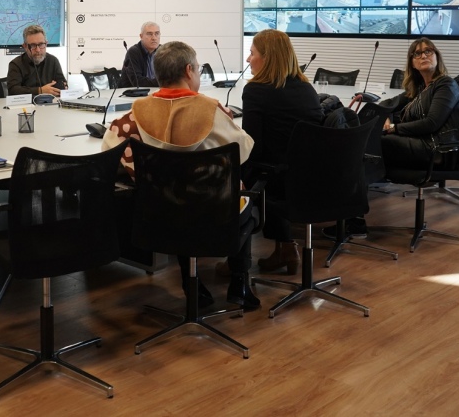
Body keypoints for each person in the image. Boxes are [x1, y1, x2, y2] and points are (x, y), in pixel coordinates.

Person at [101, 41, 259, 310]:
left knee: (176, 195)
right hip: (215, 213)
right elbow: (243, 150)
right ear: (189, 71)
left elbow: (109, 149)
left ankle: (191, 285)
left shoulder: (135, 113)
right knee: (239, 190)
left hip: (159, 214)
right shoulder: (211, 110)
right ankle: (239, 283)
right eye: (197, 69)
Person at [338, 37, 459, 237]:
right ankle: (353, 214)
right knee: (364, 147)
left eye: (428, 51)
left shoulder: (445, 85)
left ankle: (354, 218)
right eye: (417, 53)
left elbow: (432, 123)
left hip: (434, 148)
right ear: (412, 62)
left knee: (365, 147)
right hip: (418, 144)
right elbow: (390, 102)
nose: (423, 56)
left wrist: (395, 127)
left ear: (437, 57)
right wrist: (387, 114)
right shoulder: (419, 88)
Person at [234, 29, 323, 276]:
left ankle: (236, 266)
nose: (248, 60)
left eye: (251, 53)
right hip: (313, 177)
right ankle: (285, 247)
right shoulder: (307, 90)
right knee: (270, 165)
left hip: (279, 180)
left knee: (232, 174)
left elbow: (253, 146)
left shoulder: (256, 91)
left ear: (267, 57)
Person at [6, 24, 67, 97]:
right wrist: (40, 90)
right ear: (25, 46)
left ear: (46, 44)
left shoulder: (53, 61)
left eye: (41, 44)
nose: (38, 50)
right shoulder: (16, 64)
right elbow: (13, 90)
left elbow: (62, 84)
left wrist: (62, 87)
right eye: (33, 46)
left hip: (50, 104)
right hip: (25, 106)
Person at [117, 21, 161, 88]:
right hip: (131, 94)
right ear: (141, 36)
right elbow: (137, 81)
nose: (154, 38)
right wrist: (162, 82)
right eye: (149, 34)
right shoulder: (133, 52)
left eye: (157, 33)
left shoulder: (163, 51)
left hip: (156, 92)